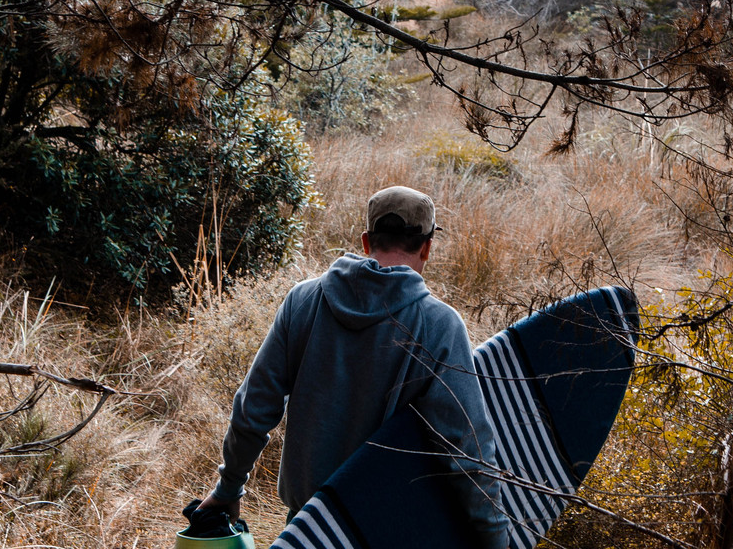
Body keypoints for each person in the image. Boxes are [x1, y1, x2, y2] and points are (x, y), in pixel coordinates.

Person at [197, 186, 509, 549]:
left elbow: (254, 408)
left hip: (304, 530)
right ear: (427, 247)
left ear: (365, 241)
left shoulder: (303, 300)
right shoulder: (439, 325)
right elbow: (467, 450)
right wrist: (496, 537)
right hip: (383, 535)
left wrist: (229, 488)